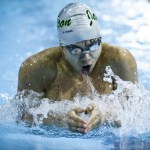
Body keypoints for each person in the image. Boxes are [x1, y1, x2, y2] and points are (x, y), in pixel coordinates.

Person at [17, 3, 138, 133]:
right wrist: (60, 119)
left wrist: (105, 116)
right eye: (75, 49)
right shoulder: (37, 69)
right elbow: (22, 117)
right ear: (62, 48)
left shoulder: (119, 61)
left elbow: (135, 113)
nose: (86, 57)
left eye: (92, 46)